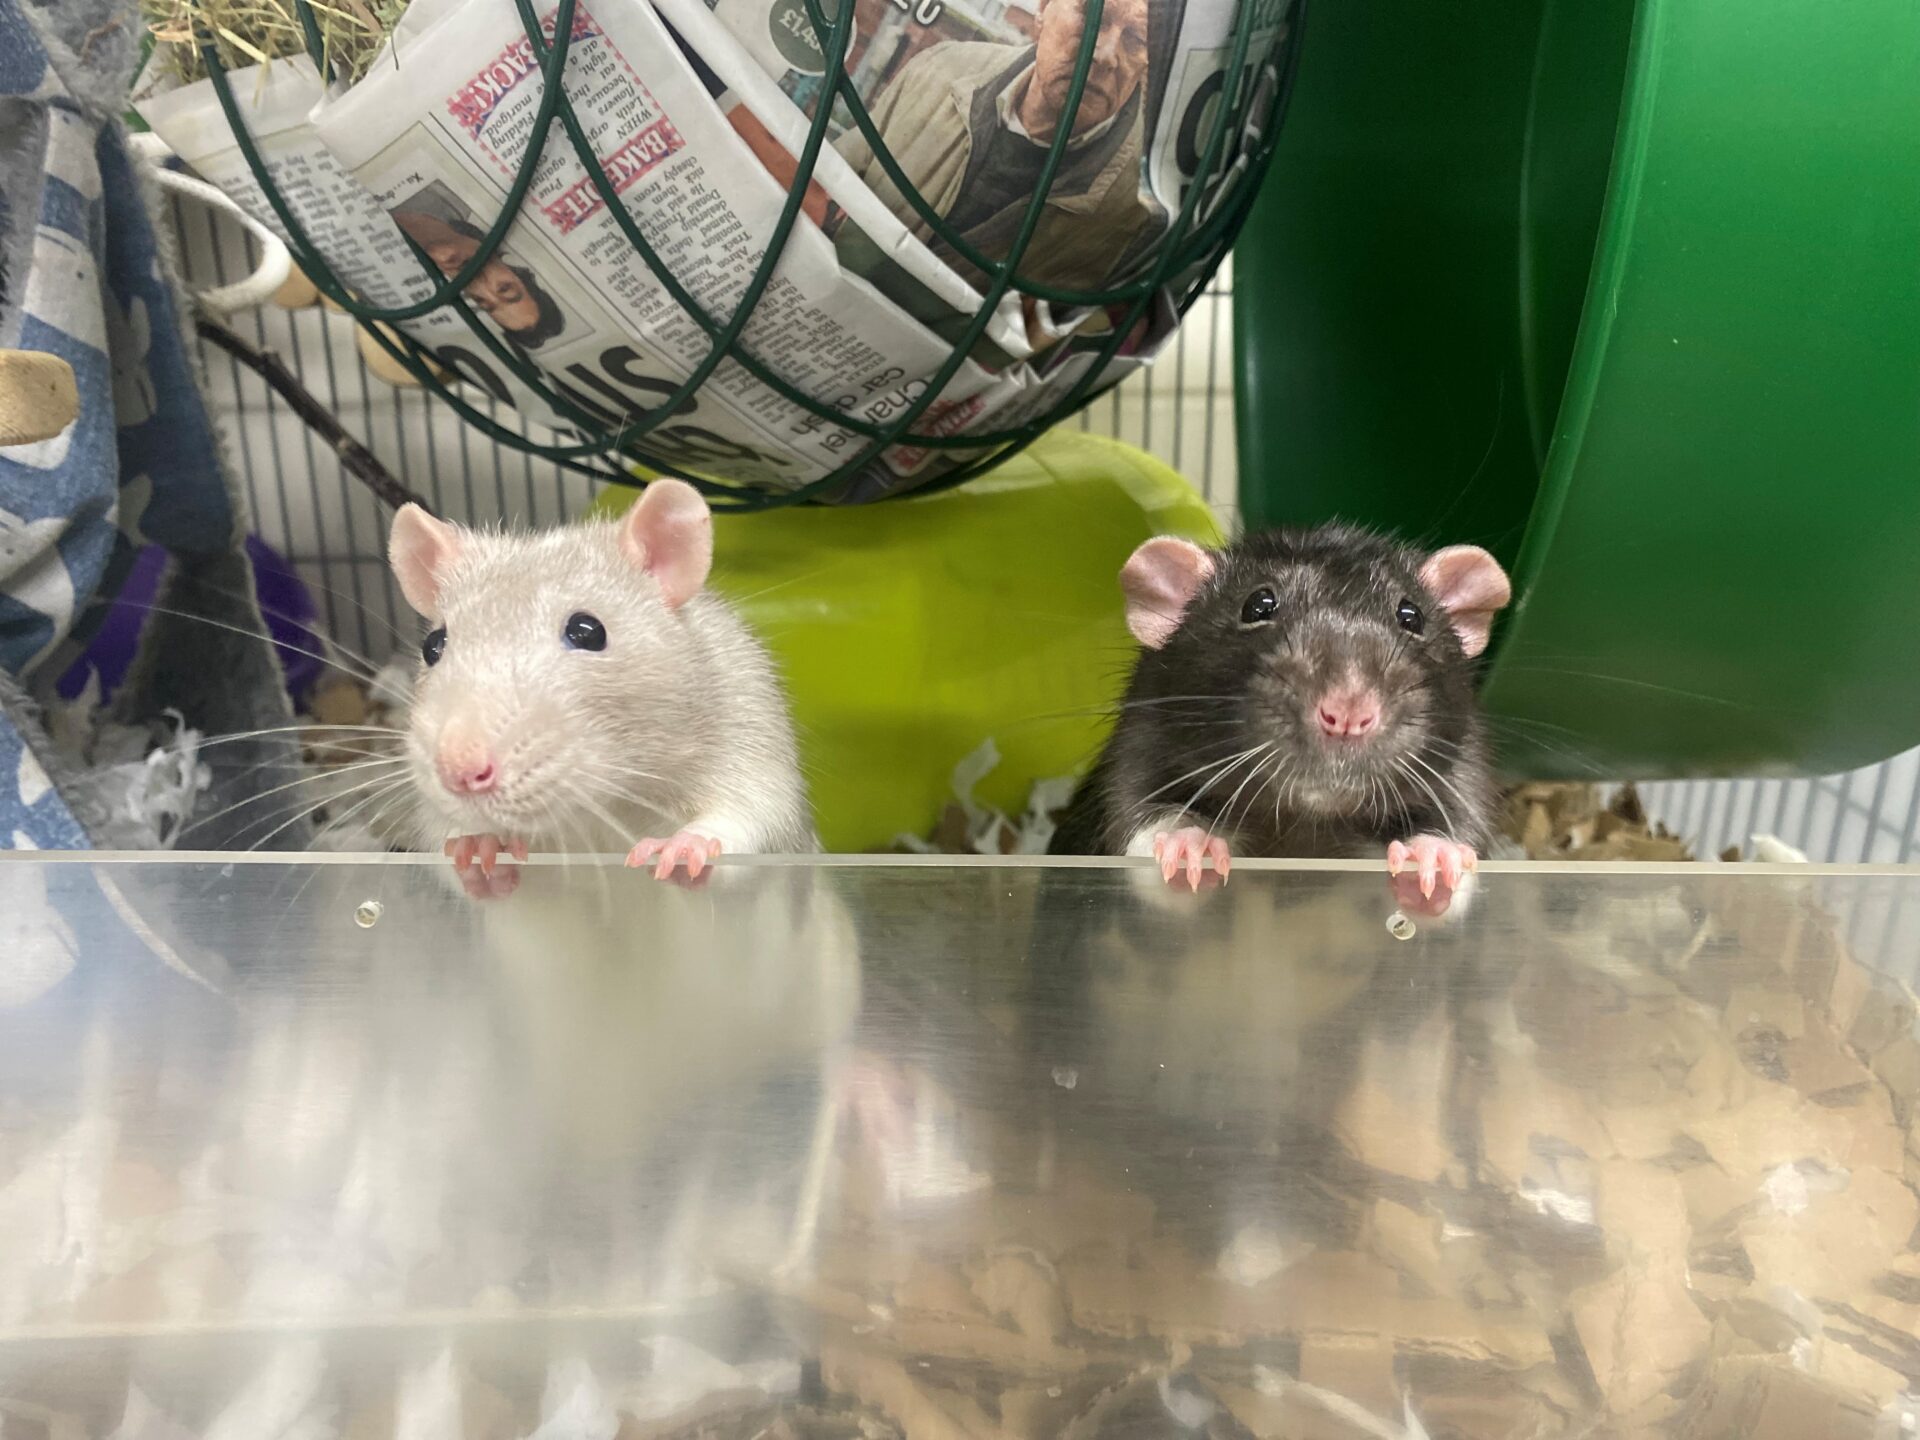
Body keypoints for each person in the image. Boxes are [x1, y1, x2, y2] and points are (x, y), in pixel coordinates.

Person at [832, 0, 1166, 292]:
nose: (1106, 55)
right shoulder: (939, 70)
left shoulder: (1135, 210)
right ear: (1043, 9)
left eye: (1136, 39)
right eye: (1094, 16)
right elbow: (829, 179)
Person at [391, 210, 567, 351]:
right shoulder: (458, 204)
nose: (481, 285)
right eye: (505, 288)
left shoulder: (401, 274)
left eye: (482, 302)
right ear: (516, 272)